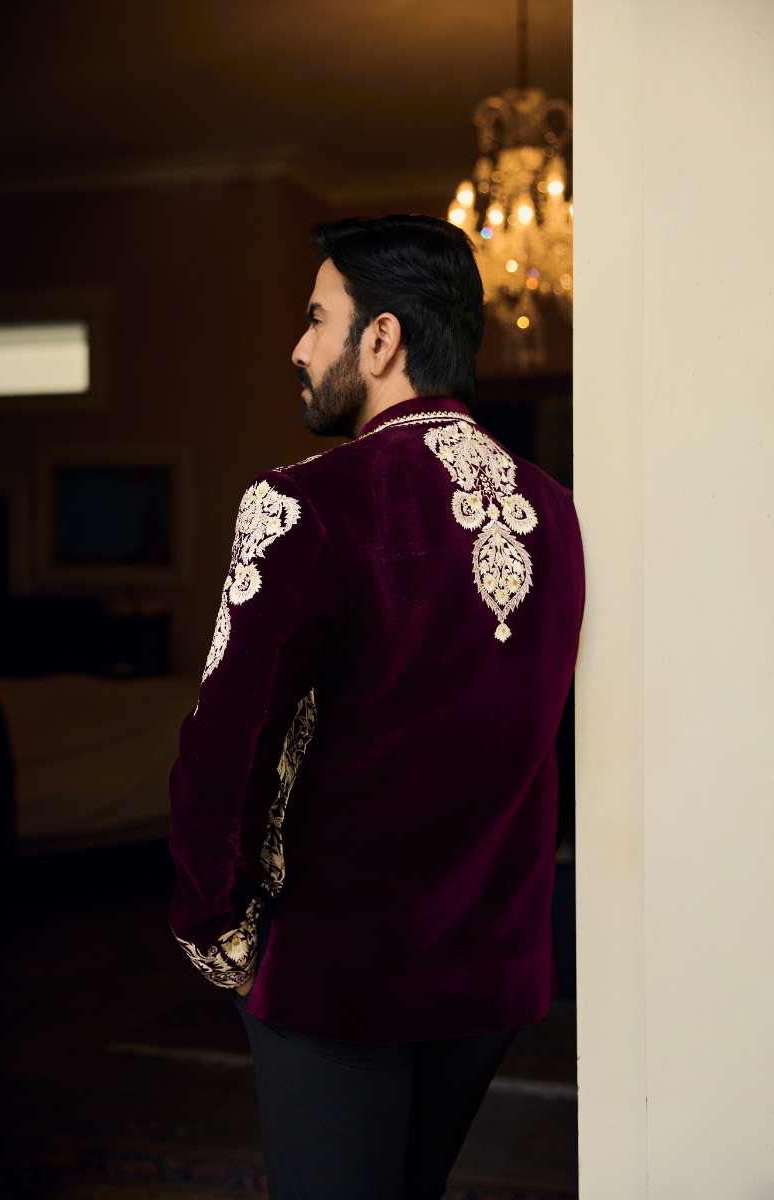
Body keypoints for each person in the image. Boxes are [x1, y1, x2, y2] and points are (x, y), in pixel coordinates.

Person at [167, 213, 586, 1199]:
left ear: (381, 339)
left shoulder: (304, 503)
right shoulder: (556, 513)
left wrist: (217, 930)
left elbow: (223, 750)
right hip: (492, 973)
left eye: (317, 318)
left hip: (337, 972)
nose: (297, 347)